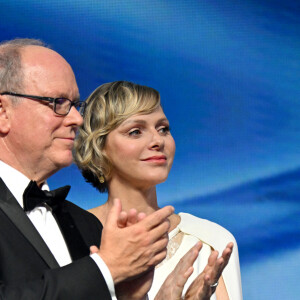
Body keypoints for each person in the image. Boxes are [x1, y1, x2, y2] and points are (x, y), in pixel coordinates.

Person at [0, 39, 174, 299]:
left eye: (75, 105)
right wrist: (106, 269)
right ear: (3, 112)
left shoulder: (87, 226)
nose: (77, 119)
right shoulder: (105, 255)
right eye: (58, 102)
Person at [75, 81, 243, 300]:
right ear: (99, 147)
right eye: (135, 131)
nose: (157, 140)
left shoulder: (211, 241)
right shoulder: (70, 234)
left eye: (163, 128)